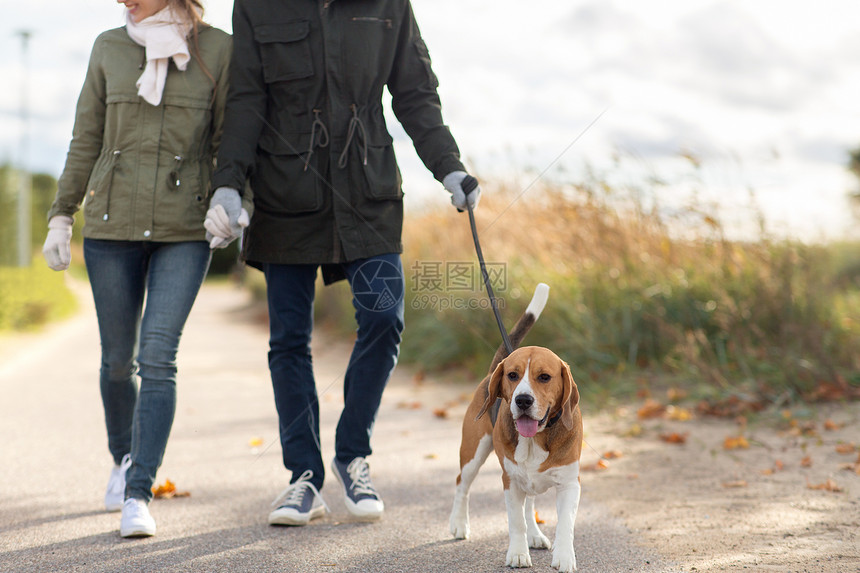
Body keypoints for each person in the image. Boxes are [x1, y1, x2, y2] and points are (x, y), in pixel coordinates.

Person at [205, 0, 482, 526]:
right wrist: (228, 186)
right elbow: (245, 101)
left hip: (368, 194)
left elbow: (415, 93)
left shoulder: (388, 4)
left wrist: (449, 167)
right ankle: (304, 477)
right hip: (286, 194)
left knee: (384, 318)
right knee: (289, 338)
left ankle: (352, 454)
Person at [41, 0, 248, 538]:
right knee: (116, 362)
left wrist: (232, 200)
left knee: (157, 354)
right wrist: (61, 214)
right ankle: (121, 458)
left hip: (185, 230)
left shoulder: (218, 50)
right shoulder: (108, 46)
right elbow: (85, 136)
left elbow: (233, 138)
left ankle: (139, 491)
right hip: (110, 227)